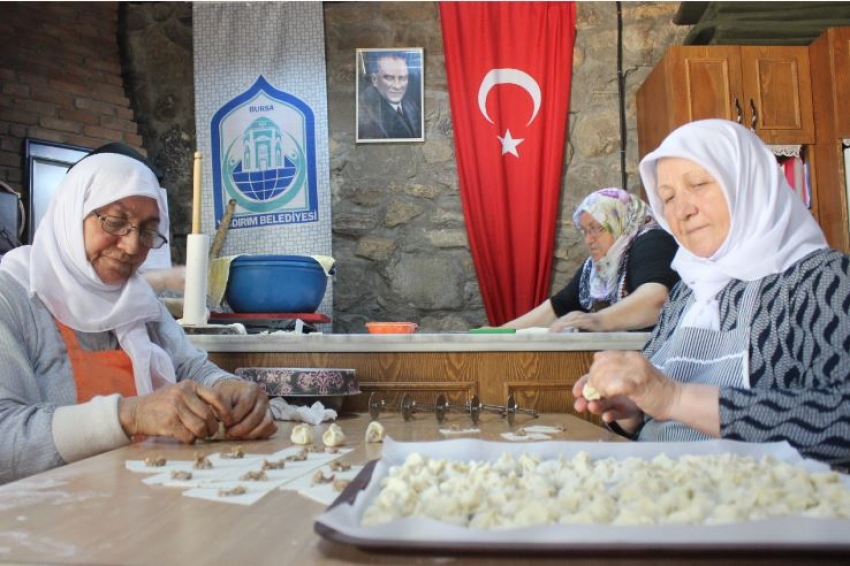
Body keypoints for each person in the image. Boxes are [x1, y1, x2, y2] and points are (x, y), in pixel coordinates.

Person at [573, 119, 850, 469]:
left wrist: (676, 398)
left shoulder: (822, 280)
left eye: (699, 184)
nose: (682, 210)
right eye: (668, 197)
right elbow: (658, 417)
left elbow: (843, 420)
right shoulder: (686, 293)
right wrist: (633, 408)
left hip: (769, 512)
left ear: (748, 183)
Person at [0, 147, 277, 484]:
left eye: (147, 231)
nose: (132, 247)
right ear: (72, 213)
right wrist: (130, 415)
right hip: (46, 516)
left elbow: (190, 367)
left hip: (142, 497)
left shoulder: (136, 299)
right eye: (116, 222)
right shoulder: (13, 295)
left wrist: (230, 389)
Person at [502, 188, 679, 332]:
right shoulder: (598, 267)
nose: (588, 240)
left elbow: (655, 300)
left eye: (597, 229)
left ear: (621, 221)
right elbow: (557, 308)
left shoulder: (652, 241)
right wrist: (500, 332)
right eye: (585, 231)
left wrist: (597, 320)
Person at [357, 51, 421, 140]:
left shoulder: (411, 104)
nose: (397, 86)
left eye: (402, 78)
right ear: (374, 80)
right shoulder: (364, 114)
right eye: (389, 78)